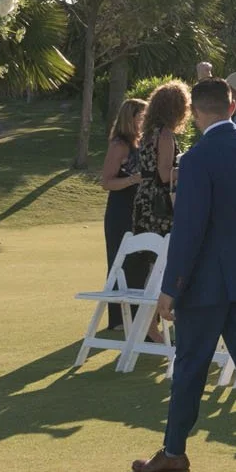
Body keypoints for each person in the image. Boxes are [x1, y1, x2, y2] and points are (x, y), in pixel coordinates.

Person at [131, 77, 236, 472]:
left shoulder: (196, 158)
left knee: (190, 365)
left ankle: (174, 452)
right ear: (232, 107)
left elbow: (188, 229)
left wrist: (171, 287)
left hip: (206, 281)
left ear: (195, 113)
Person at [125, 81, 189, 346]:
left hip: (144, 199)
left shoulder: (148, 132)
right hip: (159, 204)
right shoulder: (164, 135)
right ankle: (150, 325)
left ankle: (149, 324)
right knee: (164, 263)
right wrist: (190, 167)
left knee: (155, 264)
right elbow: (164, 174)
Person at [97, 97, 149, 335]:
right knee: (120, 261)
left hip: (139, 209)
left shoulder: (142, 141)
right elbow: (106, 182)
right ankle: (118, 319)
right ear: (131, 118)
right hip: (121, 209)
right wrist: (132, 180)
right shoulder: (119, 144)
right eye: (141, 116)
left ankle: (140, 316)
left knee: (139, 261)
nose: (145, 120)